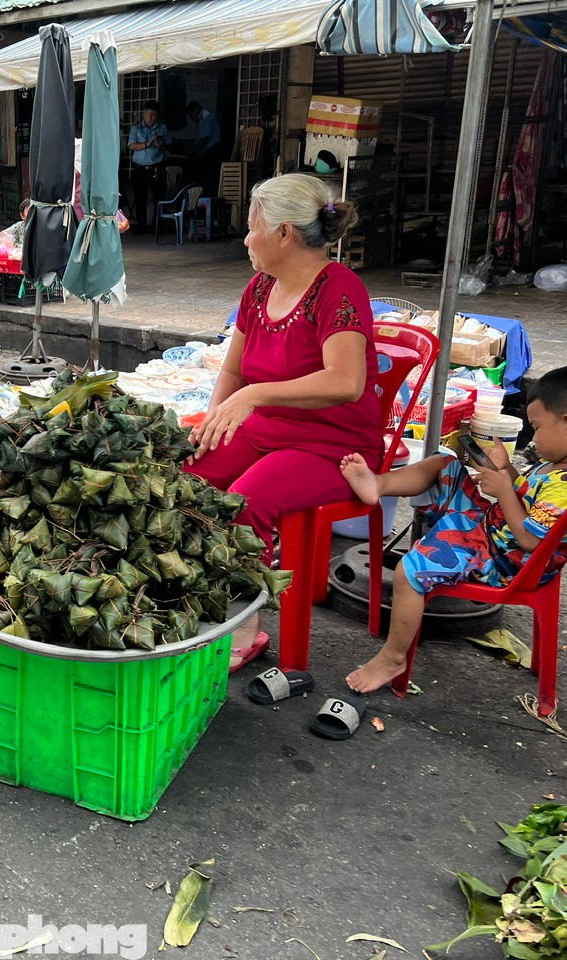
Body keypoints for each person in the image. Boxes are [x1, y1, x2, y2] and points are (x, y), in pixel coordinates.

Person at [182, 173, 379, 670]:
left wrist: (254, 395)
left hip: (333, 447)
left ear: (284, 233)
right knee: (180, 480)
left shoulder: (340, 288)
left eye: (252, 227)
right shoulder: (258, 288)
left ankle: (247, 627)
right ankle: (189, 597)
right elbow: (232, 368)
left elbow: (347, 381)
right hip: (267, 432)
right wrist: (212, 422)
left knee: (245, 502)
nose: (246, 239)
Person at [339, 364, 567, 694]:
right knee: (445, 464)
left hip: (504, 561)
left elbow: (528, 540)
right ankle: (378, 484)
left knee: (408, 571)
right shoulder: (565, 461)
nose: (534, 437)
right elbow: (527, 501)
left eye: (537, 428)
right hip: (494, 530)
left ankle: (392, 657)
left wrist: (502, 491)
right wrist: (507, 471)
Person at [127, 100, 170, 234]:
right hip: (140, 168)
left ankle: (158, 225)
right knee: (140, 197)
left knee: (159, 197)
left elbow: (170, 145)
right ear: (144, 114)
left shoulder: (162, 127)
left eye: (155, 115)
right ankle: (141, 226)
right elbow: (132, 146)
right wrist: (147, 143)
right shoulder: (136, 128)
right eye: (150, 114)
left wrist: (161, 145)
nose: (153, 118)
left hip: (157, 167)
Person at [187, 100, 222, 192]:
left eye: (190, 115)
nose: (191, 118)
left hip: (212, 151)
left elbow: (204, 138)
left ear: (195, 110)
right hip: (210, 150)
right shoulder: (205, 117)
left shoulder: (205, 117)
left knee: (209, 177)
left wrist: (194, 151)